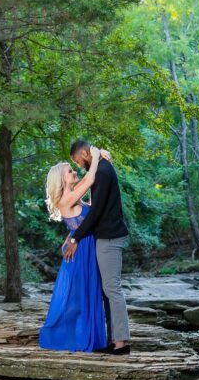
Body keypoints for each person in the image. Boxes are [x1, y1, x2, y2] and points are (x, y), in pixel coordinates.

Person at [63, 139, 131, 355]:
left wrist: (75, 238)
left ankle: (121, 343)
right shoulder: (101, 167)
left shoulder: (101, 171)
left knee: (112, 289)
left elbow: (96, 211)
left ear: (84, 153)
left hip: (109, 237)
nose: (78, 165)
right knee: (107, 291)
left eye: (77, 160)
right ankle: (114, 339)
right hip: (105, 236)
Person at [39, 148, 107, 352]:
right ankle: (66, 336)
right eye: (70, 171)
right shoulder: (64, 200)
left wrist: (71, 236)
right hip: (80, 254)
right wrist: (96, 156)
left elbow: (82, 220)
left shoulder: (75, 199)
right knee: (78, 296)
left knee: (88, 293)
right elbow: (90, 179)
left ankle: (88, 337)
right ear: (61, 179)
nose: (74, 172)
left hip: (86, 247)